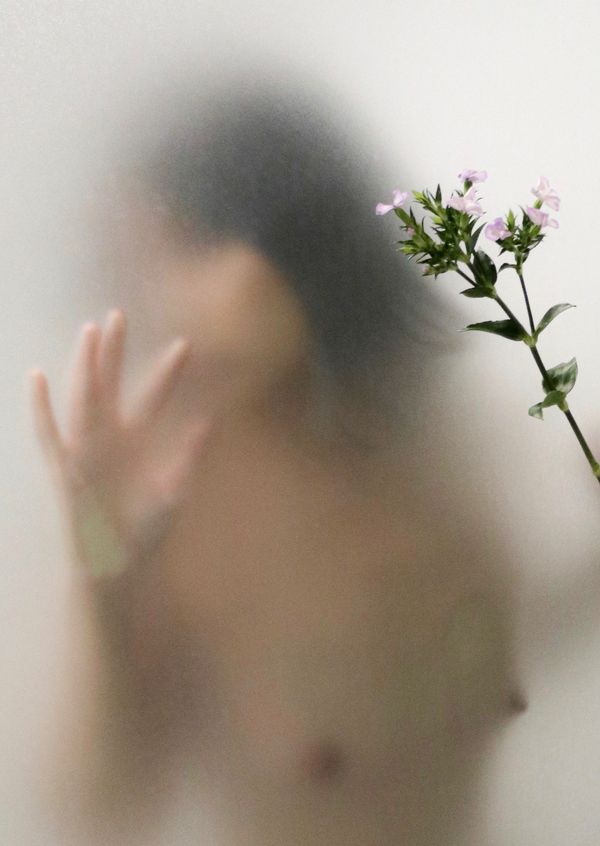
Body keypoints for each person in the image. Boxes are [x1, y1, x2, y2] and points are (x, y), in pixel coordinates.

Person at [29, 54, 527, 846]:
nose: (162, 296)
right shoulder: (178, 499)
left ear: (302, 239)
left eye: (189, 245)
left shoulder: (438, 442)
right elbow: (98, 807)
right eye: (140, 259)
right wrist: (103, 576)